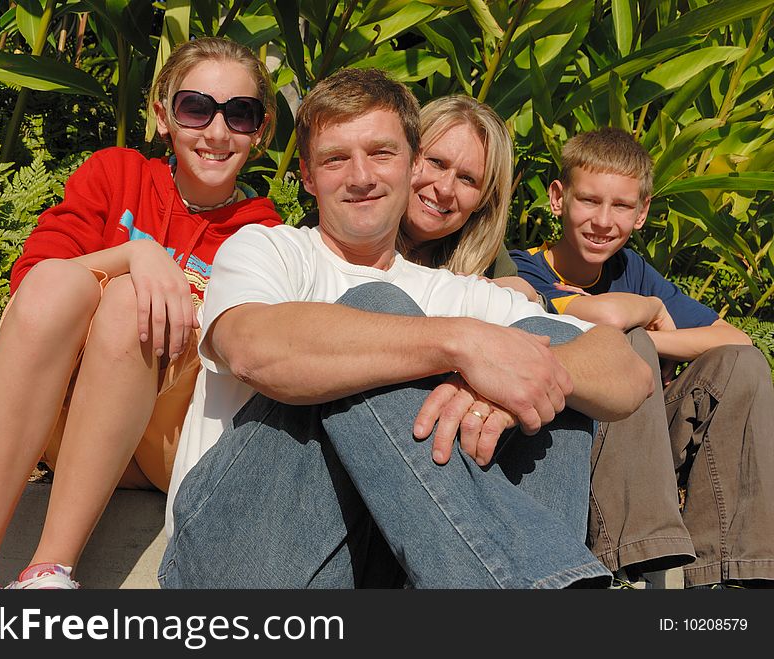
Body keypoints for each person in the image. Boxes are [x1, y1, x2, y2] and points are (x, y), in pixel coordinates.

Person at [159, 68, 653, 589]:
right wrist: (458, 345)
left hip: (374, 571)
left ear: (411, 163)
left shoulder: (454, 291)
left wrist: (502, 394)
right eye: (335, 159)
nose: (361, 177)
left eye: (381, 154)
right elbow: (253, 350)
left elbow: (628, 373)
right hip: (232, 555)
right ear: (306, 175)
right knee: (378, 306)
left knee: (550, 373)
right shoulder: (268, 250)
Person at [0, 37, 281, 589]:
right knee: (66, 287)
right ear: (163, 115)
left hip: (167, 443)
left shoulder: (262, 232)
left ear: (261, 131)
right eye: (195, 108)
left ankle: (49, 571)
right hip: (67, 423)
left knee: (127, 302)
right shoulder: (116, 174)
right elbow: (31, 290)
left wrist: (145, 285)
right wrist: (137, 253)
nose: (215, 131)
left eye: (240, 114)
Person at [510, 126, 774, 587]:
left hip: (645, 443)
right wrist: (648, 317)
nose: (603, 221)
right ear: (557, 197)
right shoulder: (525, 266)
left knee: (742, 367)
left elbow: (736, 340)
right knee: (626, 343)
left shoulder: (632, 269)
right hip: (570, 444)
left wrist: (657, 339)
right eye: (589, 200)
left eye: (621, 206)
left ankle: (732, 572)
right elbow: (608, 316)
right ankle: (630, 564)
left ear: (641, 213)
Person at [398, 94, 537, 301]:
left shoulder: (489, 259)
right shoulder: (351, 227)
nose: (445, 189)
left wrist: (529, 297)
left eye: (467, 179)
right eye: (436, 162)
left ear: (485, 199)